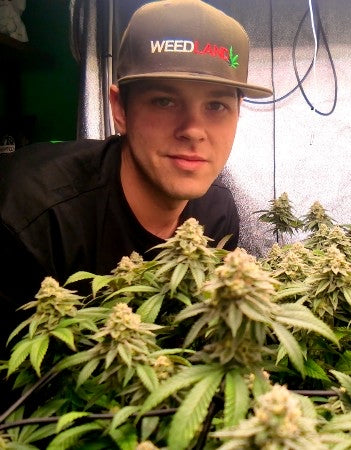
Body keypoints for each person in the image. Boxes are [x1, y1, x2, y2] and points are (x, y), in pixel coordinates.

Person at [0, 0, 272, 356]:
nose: (193, 130)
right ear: (120, 110)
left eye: (216, 106)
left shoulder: (217, 212)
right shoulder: (30, 219)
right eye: (164, 101)